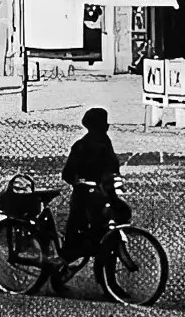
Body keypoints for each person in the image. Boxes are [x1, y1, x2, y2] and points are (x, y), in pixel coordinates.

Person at [59, 107, 121, 263]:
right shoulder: (94, 144)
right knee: (79, 226)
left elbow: (68, 174)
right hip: (90, 195)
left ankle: (71, 256)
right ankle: (67, 259)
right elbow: (68, 174)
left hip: (99, 192)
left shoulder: (87, 144)